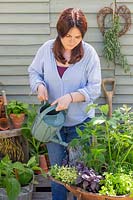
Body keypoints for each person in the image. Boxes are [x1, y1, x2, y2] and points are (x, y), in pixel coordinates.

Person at [28, 8, 101, 200]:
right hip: (53, 125)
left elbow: (94, 89)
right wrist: (39, 86)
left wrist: (70, 97)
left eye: (77, 36)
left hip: (80, 123)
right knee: (58, 173)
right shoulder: (46, 50)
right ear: (59, 32)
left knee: (79, 173)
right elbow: (34, 72)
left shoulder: (90, 54)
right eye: (67, 35)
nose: (72, 41)